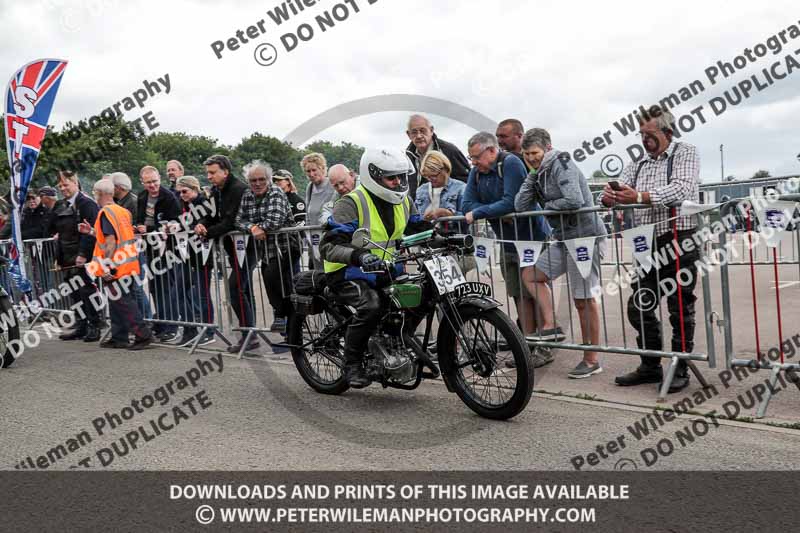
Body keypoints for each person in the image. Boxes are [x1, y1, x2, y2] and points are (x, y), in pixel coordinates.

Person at [599, 105, 701, 393]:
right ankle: (650, 364)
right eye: (640, 134)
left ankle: (680, 367)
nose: (644, 139)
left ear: (668, 131)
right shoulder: (638, 163)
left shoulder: (686, 152)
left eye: (649, 133)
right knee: (639, 305)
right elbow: (622, 191)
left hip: (679, 238)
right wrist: (610, 196)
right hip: (646, 243)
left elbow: (681, 189)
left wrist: (640, 196)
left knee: (680, 306)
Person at [321, 147, 431, 388]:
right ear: (373, 176)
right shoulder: (351, 203)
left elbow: (419, 228)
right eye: (391, 177)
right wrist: (360, 256)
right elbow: (329, 246)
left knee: (423, 294)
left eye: (401, 176)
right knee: (372, 305)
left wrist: (446, 237)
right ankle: (352, 364)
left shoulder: (404, 201)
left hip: (387, 269)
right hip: (347, 272)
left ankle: (396, 341)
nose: (398, 182)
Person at [515, 128, 607, 378]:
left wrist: (546, 206)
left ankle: (591, 359)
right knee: (531, 275)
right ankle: (551, 325)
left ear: (547, 148)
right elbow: (520, 205)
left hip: (585, 238)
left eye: (534, 153)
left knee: (583, 300)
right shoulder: (539, 171)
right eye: (526, 154)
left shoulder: (562, 162)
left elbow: (574, 200)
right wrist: (532, 174)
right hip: (563, 239)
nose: (531, 158)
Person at [462, 132, 552, 352]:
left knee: (534, 293)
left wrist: (481, 211)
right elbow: (466, 205)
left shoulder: (510, 163)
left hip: (531, 240)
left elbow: (512, 202)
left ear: (492, 151)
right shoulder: (475, 172)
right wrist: (494, 210)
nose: (473, 162)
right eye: (471, 157)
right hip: (507, 242)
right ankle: (527, 347)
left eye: (476, 157)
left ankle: (545, 346)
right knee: (519, 295)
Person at [82, 179, 152, 350]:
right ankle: (119, 337)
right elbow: (116, 236)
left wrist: (106, 265)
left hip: (115, 266)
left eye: (94, 193)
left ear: (99, 193)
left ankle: (143, 335)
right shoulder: (123, 211)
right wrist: (91, 232)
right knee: (117, 302)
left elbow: (111, 241)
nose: (94, 196)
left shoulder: (105, 212)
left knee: (124, 303)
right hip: (128, 263)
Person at [195, 154, 256, 353]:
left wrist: (208, 232)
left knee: (235, 288)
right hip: (233, 248)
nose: (209, 176)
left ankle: (249, 335)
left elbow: (231, 222)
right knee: (241, 289)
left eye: (213, 173)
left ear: (225, 172)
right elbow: (210, 215)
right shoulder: (215, 190)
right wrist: (201, 225)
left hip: (248, 247)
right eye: (208, 173)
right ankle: (250, 334)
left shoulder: (239, 189)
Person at [236, 160, 300, 336]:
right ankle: (285, 325)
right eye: (253, 180)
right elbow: (238, 220)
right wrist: (252, 228)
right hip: (266, 251)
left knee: (277, 280)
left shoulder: (276, 192)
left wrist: (258, 227)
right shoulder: (247, 195)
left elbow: (274, 221)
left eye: (261, 179)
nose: (257, 183)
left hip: (287, 247)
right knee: (270, 282)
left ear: (269, 179)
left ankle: (286, 321)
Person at [49, 170, 104, 342]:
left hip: (82, 256)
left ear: (75, 183)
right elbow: (53, 228)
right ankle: (81, 325)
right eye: (60, 186)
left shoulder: (86, 203)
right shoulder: (60, 205)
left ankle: (95, 325)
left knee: (87, 291)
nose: (62, 188)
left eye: (65, 184)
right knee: (74, 293)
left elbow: (91, 232)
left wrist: (83, 255)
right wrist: (58, 256)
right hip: (66, 255)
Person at [136, 166, 181, 342]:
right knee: (155, 287)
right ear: (142, 182)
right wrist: (138, 227)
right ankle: (161, 322)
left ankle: (171, 325)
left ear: (159, 179)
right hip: (149, 247)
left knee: (167, 287)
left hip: (167, 248)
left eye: (155, 181)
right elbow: (139, 218)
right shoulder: (142, 196)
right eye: (148, 182)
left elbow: (175, 222)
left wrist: (148, 228)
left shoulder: (169, 197)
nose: (152, 185)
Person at [174, 176, 215, 347]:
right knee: (178, 292)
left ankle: (208, 331)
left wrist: (188, 227)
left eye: (184, 191)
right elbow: (182, 223)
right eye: (179, 192)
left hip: (202, 255)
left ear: (194, 189)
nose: (181, 195)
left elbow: (206, 223)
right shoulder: (183, 204)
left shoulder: (204, 202)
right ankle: (190, 329)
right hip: (186, 255)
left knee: (203, 295)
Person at [405, 114, 470, 199]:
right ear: (408, 134)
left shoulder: (449, 150)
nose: (419, 136)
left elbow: (466, 180)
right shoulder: (406, 157)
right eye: (414, 132)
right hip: (420, 204)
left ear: (431, 130)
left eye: (423, 131)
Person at [302, 153, 336, 268]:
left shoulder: (332, 184)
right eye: (308, 171)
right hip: (314, 239)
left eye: (314, 170)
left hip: (330, 238)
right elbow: (308, 213)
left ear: (322, 168)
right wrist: (308, 234)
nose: (311, 174)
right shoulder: (310, 187)